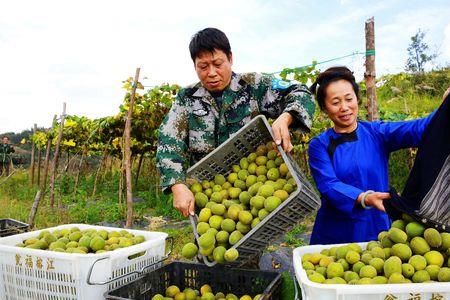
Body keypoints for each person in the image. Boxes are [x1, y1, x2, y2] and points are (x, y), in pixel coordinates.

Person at [156, 28, 315, 217]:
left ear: (230, 58)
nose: (212, 73)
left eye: (217, 64)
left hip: (257, 184)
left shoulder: (254, 86)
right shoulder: (186, 99)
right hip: (210, 196)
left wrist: (286, 117)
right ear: (194, 66)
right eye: (203, 67)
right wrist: (177, 184)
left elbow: (300, 92)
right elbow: (169, 140)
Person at [307, 66, 439, 245]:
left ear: (357, 99)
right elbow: (329, 185)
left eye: (349, 99)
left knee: (376, 266)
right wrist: (364, 197)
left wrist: (444, 110)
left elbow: (418, 129)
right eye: (336, 102)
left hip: (375, 225)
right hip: (336, 230)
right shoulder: (319, 145)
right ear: (324, 108)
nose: (344, 108)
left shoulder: (376, 133)